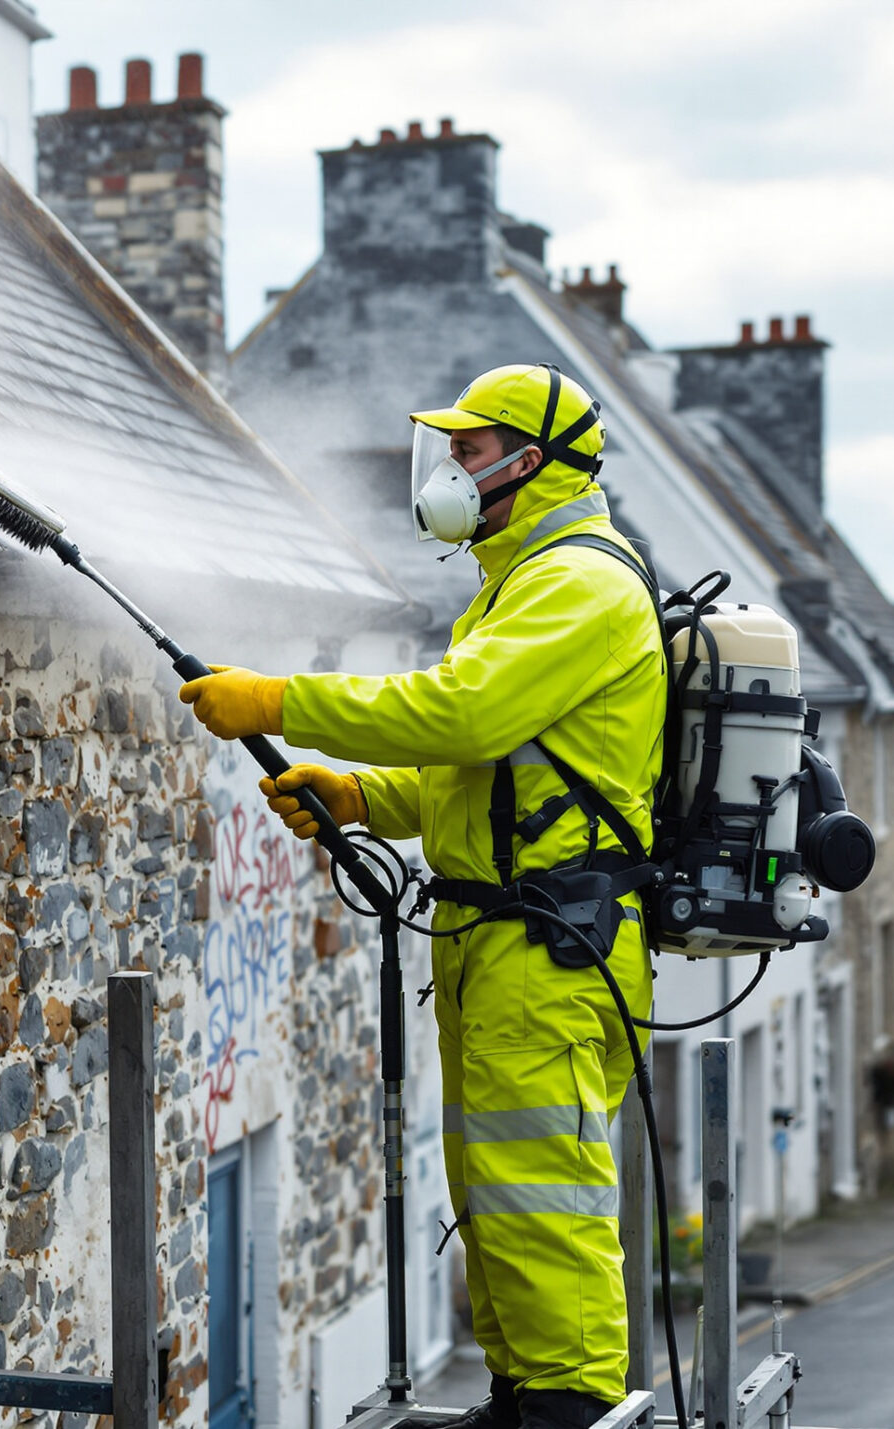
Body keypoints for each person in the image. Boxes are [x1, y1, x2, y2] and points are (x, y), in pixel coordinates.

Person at [180, 365, 661, 1429]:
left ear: (529, 464)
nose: (450, 468)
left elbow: (463, 713)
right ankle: (522, 1393)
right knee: (493, 1190)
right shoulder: (521, 579)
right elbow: (479, 775)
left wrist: (280, 701)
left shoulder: (580, 583)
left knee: (545, 1194)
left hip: (550, 944)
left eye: (470, 449)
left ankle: (571, 1407)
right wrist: (362, 796)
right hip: (504, 934)